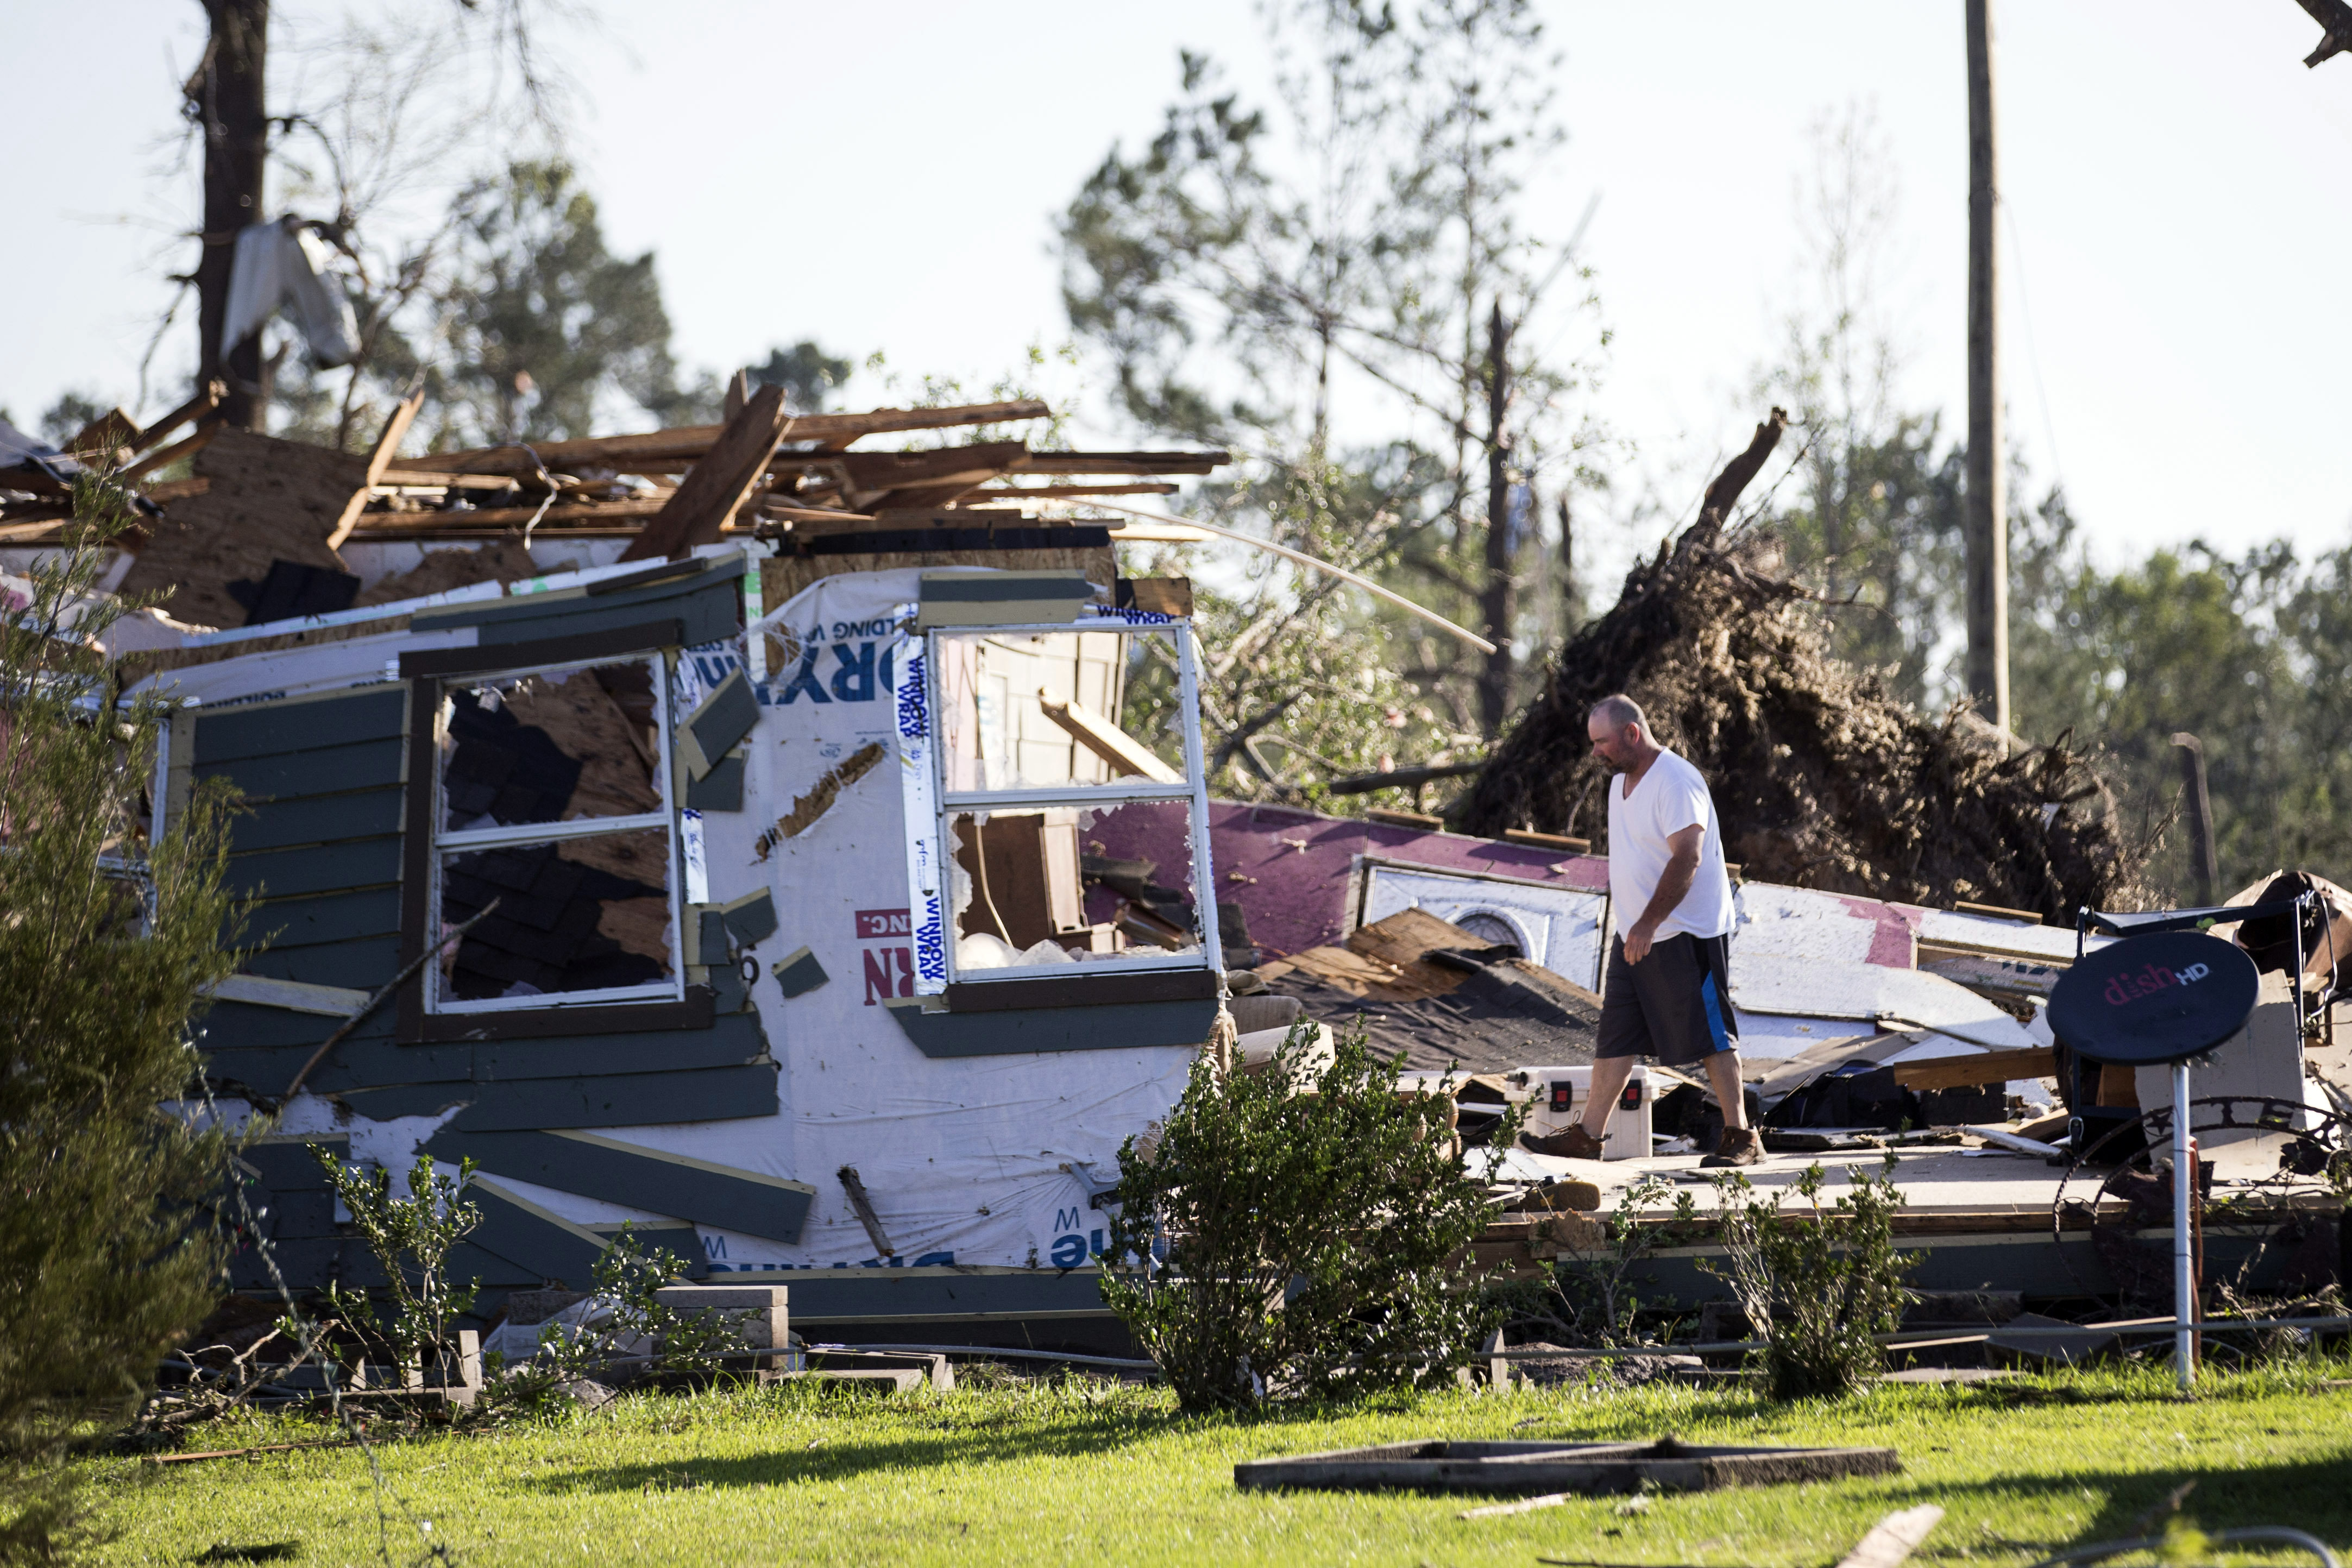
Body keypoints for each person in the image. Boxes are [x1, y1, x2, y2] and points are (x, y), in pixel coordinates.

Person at [1524, 694, 1758, 1167]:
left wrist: (1649, 922)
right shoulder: (1619, 785)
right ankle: (1588, 1135)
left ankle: (1742, 1137)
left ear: (1632, 733)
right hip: (1634, 933)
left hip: (1684, 933)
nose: (1596, 753)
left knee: (1712, 1035)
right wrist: (1633, 924)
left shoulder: (1675, 780)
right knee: (1616, 1035)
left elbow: (1687, 856)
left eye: (1602, 742)